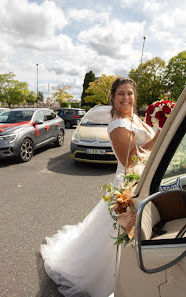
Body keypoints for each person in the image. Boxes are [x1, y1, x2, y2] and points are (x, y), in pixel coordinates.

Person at [41, 78, 159, 297]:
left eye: (130, 93)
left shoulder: (133, 117)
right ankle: (113, 280)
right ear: (113, 98)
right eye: (121, 94)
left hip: (145, 180)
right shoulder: (117, 125)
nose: (126, 97)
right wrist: (158, 139)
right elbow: (129, 161)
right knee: (116, 237)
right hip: (129, 186)